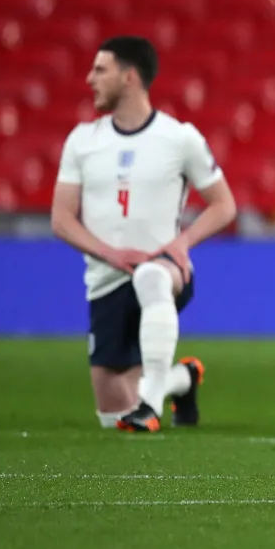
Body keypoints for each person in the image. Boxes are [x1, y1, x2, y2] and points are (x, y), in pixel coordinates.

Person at [51, 36, 236, 432]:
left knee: (152, 276)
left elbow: (224, 205)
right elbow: (61, 219)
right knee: (111, 415)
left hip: (165, 271)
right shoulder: (82, 141)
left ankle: (150, 405)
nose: (89, 79)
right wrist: (111, 254)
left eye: (100, 69)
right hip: (106, 280)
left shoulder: (179, 137)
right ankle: (182, 380)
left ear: (130, 76)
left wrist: (181, 243)